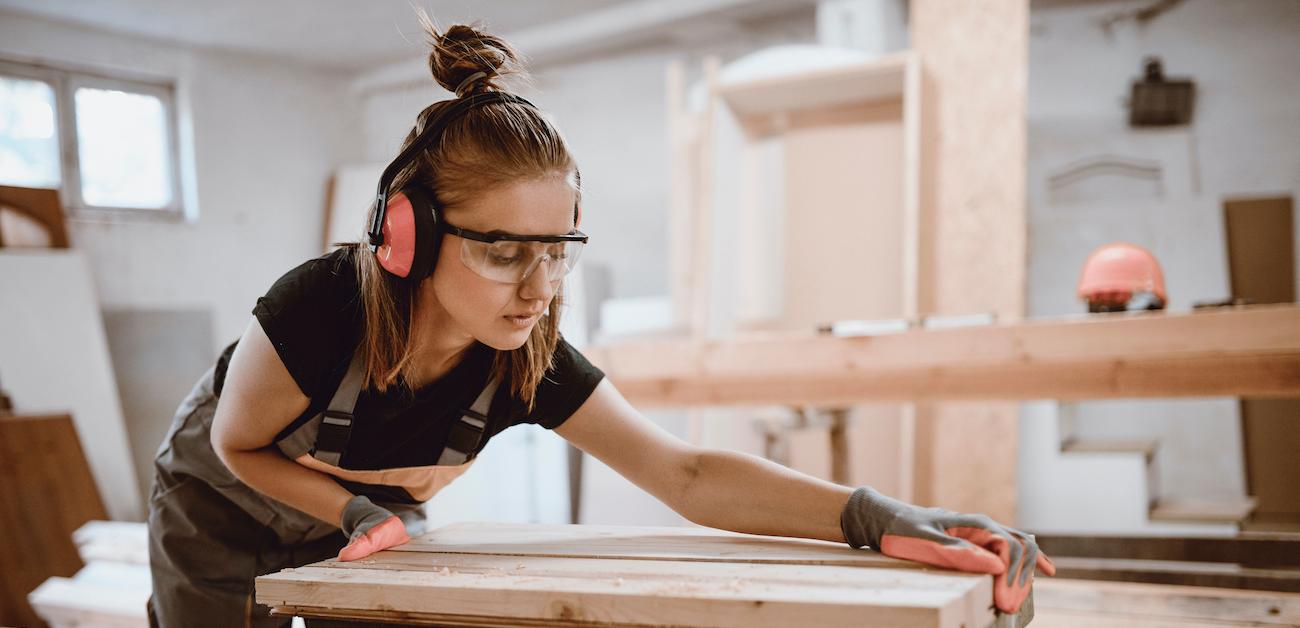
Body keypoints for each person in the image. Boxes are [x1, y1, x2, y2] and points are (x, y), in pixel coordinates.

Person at [146, 21, 1053, 628]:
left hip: (365, 525)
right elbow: (240, 446)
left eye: (559, 250)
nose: (539, 286)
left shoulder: (524, 356)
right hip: (220, 511)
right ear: (406, 237)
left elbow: (688, 474)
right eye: (504, 251)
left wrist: (878, 515)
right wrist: (349, 507)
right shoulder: (317, 309)